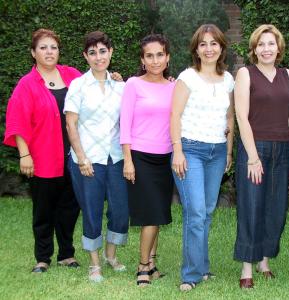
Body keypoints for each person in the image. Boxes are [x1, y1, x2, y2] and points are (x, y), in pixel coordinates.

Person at [4, 29, 81, 273]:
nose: (49, 52)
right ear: (33, 53)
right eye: (43, 47)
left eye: (53, 47)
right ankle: (43, 258)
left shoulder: (72, 76)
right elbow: (17, 120)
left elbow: (97, 87)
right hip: (43, 157)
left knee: (70, 208)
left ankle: (66, 254)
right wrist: (24, 154)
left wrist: (115, 79)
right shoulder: (27, 84)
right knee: (44, 211)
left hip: (74, 157)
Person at [233, 24, 289, 289]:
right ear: (254, 49)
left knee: (275, 208)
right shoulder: (245, 74)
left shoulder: (288, 75)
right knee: (251, 206)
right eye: (261, 44)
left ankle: (264, 261)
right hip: (255, 148)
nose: (266, 49)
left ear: (278, 47)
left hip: (283, 149)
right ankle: (247, 266)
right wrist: (252, 156)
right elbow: (241, 116)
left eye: (271, 43)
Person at [170, 24, 235, 291]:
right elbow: (174, 115)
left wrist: (229, 151)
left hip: (217, 152)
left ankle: (203, 266)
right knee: (195, 212)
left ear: (221, 47)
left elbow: (230, 117)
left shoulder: (229, 79)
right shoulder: (187, 77)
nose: (209, 49)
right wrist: (177, 151)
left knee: (207, 212)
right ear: (196, 49)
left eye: (214, 43)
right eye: (203, 44)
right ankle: (191, 275)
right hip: (190, 150)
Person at [65, 31, 129, 283]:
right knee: (91, 211)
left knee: (120, 210)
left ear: (111, 53)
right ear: (85, 56)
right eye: (92, 52)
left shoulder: (121, 86)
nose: (98, 57)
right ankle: (94, 264)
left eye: (103, 51)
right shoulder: (78, 85)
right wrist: (81, 157)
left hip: (115, 157)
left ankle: (110, 255)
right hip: (87, 159)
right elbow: (71, 124)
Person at [120, 34, 174, 287]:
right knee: (151, 215)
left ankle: (152, 263)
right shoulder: (133, 84)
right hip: (140, 157)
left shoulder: (175, 86)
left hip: (166, 158)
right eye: (149, 55)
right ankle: (142, 266)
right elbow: (125, 125)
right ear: (142, 59)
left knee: (160, 213)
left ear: (167, 57)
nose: (155, 60)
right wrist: (128, 160)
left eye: (159, 54)